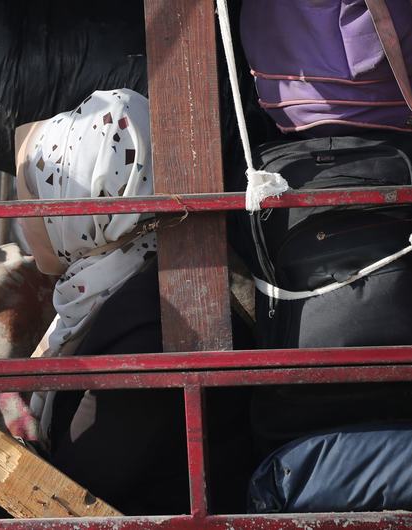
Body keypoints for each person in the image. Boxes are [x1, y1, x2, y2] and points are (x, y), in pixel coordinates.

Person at [15, 89, 255, 515]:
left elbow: (82, 480)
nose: (22, 217)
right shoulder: (119, 282)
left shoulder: (148, 318)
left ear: (83, 203)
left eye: (37, 194)